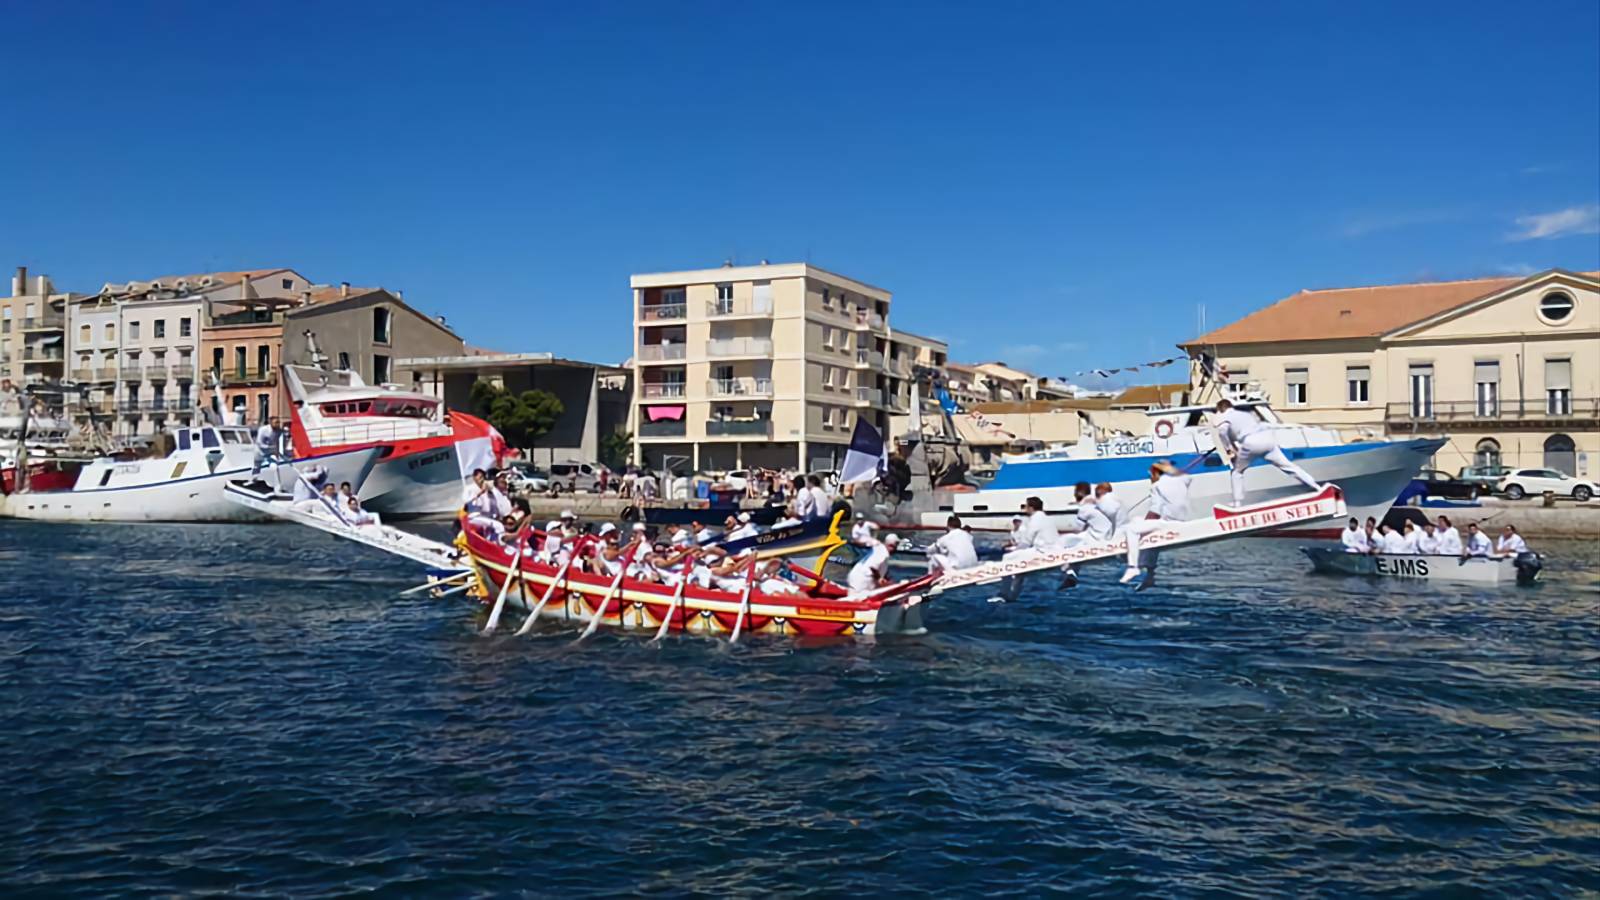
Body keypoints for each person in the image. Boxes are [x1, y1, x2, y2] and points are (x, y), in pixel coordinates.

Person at [1212, 399, 1320, 506]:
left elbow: (1222, 432)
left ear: (1221, 409)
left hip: (1251, 442)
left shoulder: (1225, 417)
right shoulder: (1245, 414)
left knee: (1237, 472)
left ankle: (1237, 503)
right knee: (1288, 466)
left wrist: (1229, 449)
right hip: (1267, 439)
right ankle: (1316, 487)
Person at [1121, 461, 1190, 585]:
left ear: (1156, 474)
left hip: (1167, 523)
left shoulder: (1157, 486)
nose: (1150, 479)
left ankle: (1134, 567)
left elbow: (1155, 512)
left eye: (1150, 475)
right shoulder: (1180, 482)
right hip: (1180, 521)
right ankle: (1150, 575)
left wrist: (1141, 533)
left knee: (1133, 528)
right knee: (1145, 528)